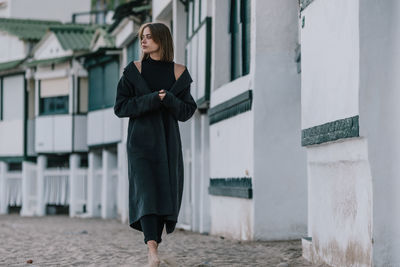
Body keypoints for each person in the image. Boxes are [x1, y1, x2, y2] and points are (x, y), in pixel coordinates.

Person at [113, 22, 197, 267]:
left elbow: (186, 112)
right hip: (139, 143)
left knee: (164, 193)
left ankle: (154, 247)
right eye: (142, 37)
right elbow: (121, 107)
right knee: (147, 194)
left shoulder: (180, 73)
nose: (143, 41)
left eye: (148, 37)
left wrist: (168, 99)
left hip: (168, 144)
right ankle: (152, 252)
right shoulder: (133, 71)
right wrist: (152, 99)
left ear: (162, 39)